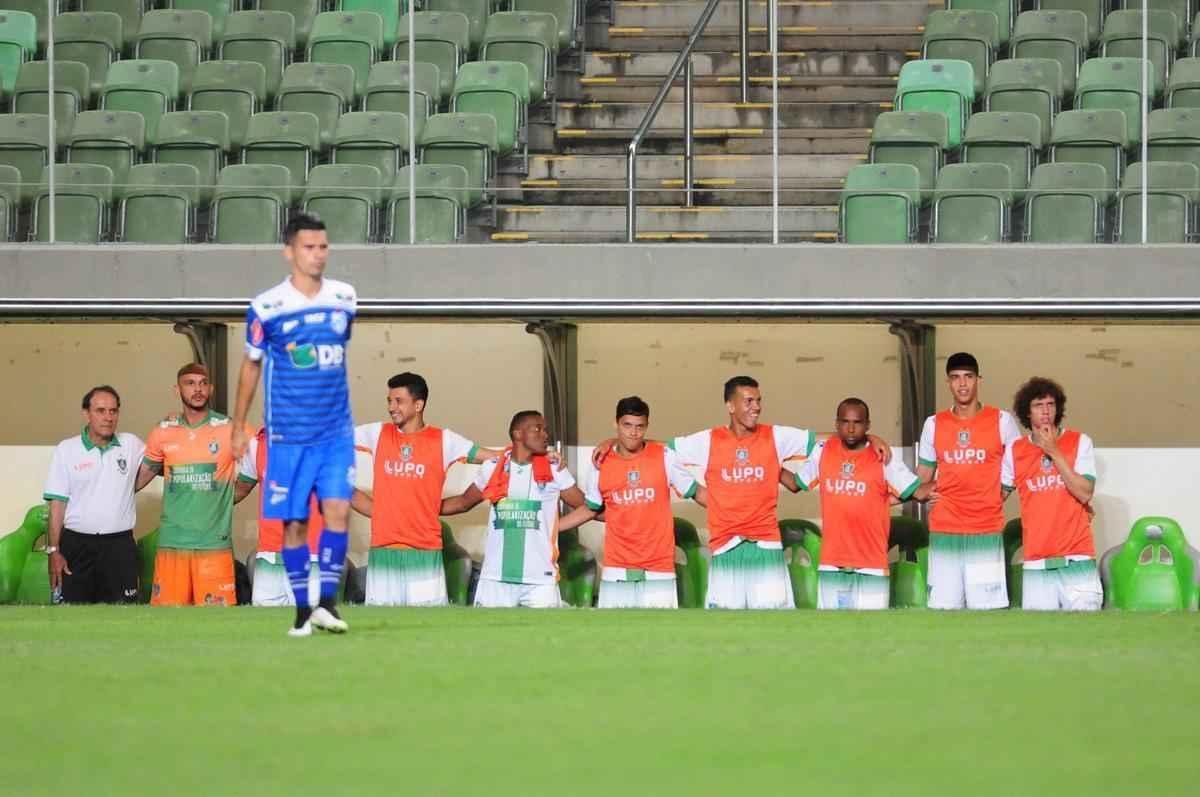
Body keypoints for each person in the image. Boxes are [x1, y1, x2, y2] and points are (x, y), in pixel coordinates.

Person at [596, 376, 889, 610]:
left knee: (772, 624)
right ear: (730, 405)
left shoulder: (777, 436)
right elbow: (655, 446)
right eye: (748, 401)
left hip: (766, 547)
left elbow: (834, 437)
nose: (756, 407)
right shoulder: (708, 440)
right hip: (725, 549)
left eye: (759, 401)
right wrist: (612, 441)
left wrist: (872, 437)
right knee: (726, 628)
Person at [230, 213, 357, 637]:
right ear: (289, 251)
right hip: (288, 436)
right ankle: (303, 610)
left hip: (336, 432)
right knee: (295, 523)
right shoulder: (267, 307)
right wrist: (238, 426)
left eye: (323, 247)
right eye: (308, 247)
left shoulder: (345, 297)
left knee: (339, 511)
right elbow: (251, 367)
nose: (317, 255)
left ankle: (328, 604)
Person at [351, 372, 504, 606]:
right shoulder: (376, 433)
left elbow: (493, 457)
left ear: (419, 404)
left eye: (398, 401)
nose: (392, 407)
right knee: (382, 628)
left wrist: (539, 457)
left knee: (425, 625)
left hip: (425, 551)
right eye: (389, 401)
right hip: (383, 551)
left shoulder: (444, 440)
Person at [558, 396, 706, 609]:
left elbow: (697, 492)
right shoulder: (601, 463)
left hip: (659, 568)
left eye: (640, 426)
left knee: (661, 636)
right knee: (615, 637)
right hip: (617, 567)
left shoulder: (664, 457)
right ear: (616, 424)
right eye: (627, 425)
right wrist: (552, 529)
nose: (633, 432)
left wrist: (731, 507)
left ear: (647, 427)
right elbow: (591, 508)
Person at [790, 398, 933, 610]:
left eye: (857, 423)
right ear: (836, 424)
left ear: (868, 425)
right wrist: (770, 468)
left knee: (873, 636)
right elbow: (795, 484)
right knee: (832, 634)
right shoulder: (822, 452)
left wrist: (956, 481)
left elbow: (917, 491)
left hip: (872, 564)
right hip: (832, 563)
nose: (850, 428)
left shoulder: (882, 457)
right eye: (845, 422)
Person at [135, 364, 257, 606]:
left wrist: (221, 499)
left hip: (214, 546)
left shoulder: (231, 428)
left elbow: (259, 461)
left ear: (210, 389)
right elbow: (139, 479)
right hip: (172, 545)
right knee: (168, 624)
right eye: (190, 383)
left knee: (217, 625)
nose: (197, 389)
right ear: (177, 390)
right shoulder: (162, 432)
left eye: (203, 383)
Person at [440, 411, 586, 608]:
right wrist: (421, 509)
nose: (545, 435)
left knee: (546, 637)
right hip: (495, 577)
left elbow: (586, 506)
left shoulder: (554, 469)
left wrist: (557, 525)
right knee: (490, 637)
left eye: (546, 430)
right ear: (517, 434)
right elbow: (463, 503)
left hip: (540, 580)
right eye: (538, 429)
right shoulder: (493, 467)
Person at [916, 352, 1022, 610]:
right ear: (948, 383)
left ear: (978, 380)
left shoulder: (1001, 421)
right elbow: (922, 478)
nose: (962, 384)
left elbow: (1020, 462)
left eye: (968, 377)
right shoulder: (934, 424)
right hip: (944, 529)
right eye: (955, 378)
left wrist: (1001, 492)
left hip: (985, 529)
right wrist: (925, 493)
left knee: (986, 610)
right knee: (943, 609)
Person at [1002, 377, 1102, 611]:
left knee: (1087, 636)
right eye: (1039, 405)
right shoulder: (1015, 451)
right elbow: (996, 497)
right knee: (1040, 640)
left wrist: (1054, 451)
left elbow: (1085, 492)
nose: (1046, 411)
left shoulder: (1080, 442)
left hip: (1077, 558)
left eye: (1050, 404)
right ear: (1027, 412)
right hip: (1037, 561)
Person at [43, 385, 145, 604]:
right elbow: (57, 504)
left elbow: (157, 465)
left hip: (120, 546)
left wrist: (169, 426)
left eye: (113, 411)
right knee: (73, 617)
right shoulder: (66, 449)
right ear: (86, 413)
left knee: (124, 618)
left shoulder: (131, 444)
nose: (108, 417)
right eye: (100, 411)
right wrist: (53, 550)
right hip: (76, 546)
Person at [244, 427, 324, 607]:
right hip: (270, 556)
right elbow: (241, 487)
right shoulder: (257, 444)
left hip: (311, 556)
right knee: (265, 628)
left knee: (312, 626)